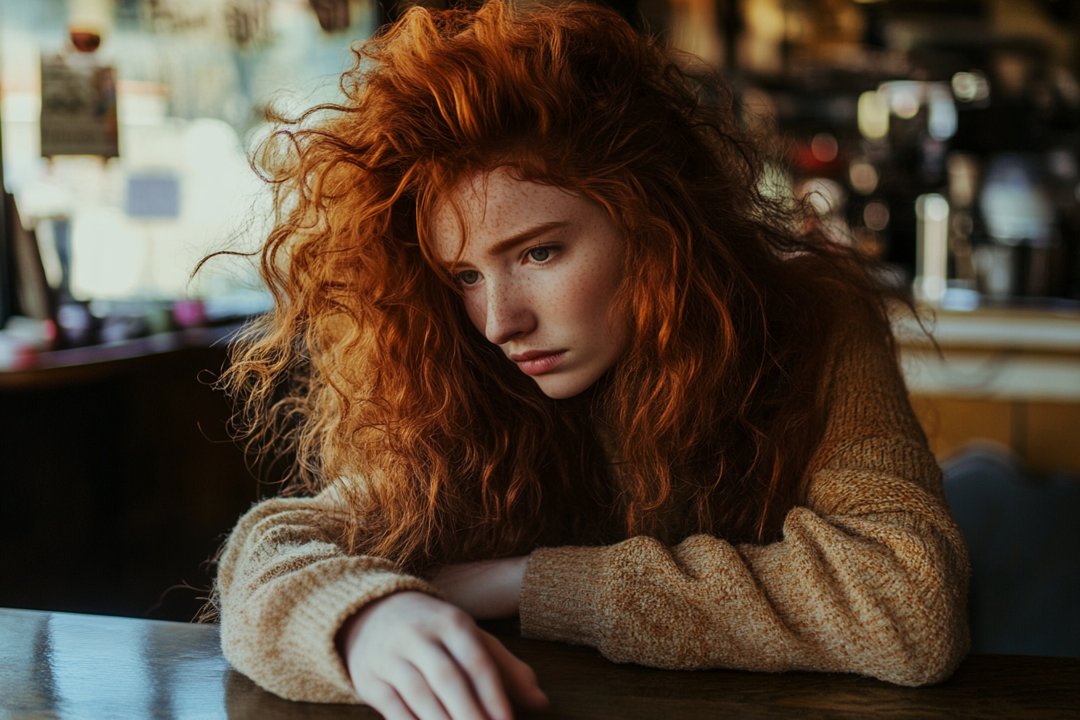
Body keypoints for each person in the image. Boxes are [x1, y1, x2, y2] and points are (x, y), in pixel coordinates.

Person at [210, 2, 971, 718]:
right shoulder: (458, 386)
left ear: (654, 223)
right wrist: (360, 622)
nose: (499, 323)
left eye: (540, 252)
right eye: (465, 277)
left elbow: (909, 602)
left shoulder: (814, 327)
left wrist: (531, 582)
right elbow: (270, 553)